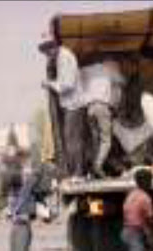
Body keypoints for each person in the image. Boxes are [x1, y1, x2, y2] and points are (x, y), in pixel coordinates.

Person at [40, 41, 86, 181]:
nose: (47, 56)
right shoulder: (62, 56)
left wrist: (49, 84)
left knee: (72, 140)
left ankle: (77, 173)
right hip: (71, 104)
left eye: (47, 52)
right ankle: (76, 172)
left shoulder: (65, 58)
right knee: (71, 139)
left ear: (52, 47)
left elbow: (67, 84)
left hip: (73, 104)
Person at [1, 166, 49, 251]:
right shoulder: (24, 191)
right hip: (22, 227)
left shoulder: (13, 194)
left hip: (16, 227)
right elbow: (32, 181)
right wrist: (40, 170)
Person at [81, 60, 126, 178]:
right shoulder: (108, 70)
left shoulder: (88, 69)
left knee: (95, 140)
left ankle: (91, 168)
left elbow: (78, 75)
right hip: (102, 107)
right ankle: (98, 165)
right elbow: (122, 81)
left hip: (90, 109)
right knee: (106, 140)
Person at [121, 168, 153, 251]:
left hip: (126, 230)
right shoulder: (145, 198)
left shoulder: (131, 194)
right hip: (135, 232)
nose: (151, 183)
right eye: (149, 180)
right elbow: (149, 218)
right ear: (145, 182)